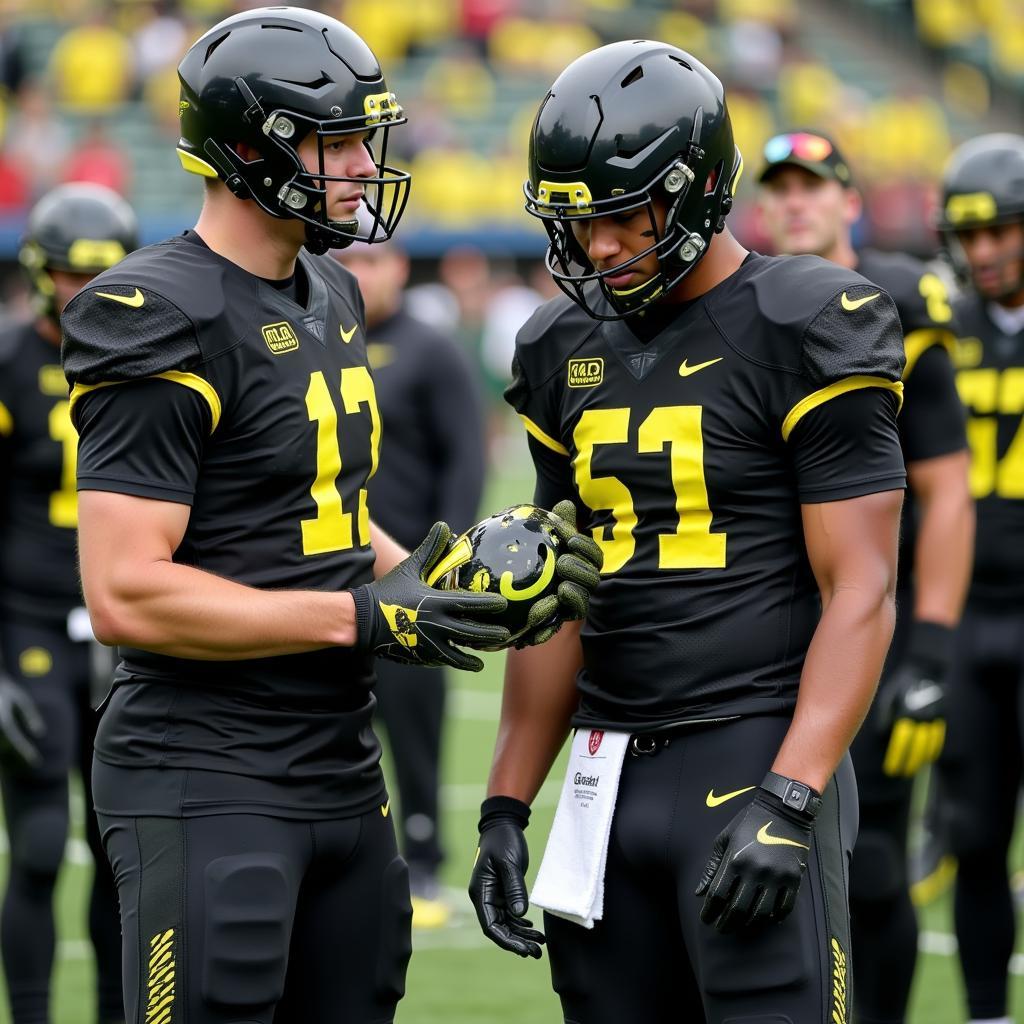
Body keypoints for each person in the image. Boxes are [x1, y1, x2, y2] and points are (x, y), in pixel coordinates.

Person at [59, 8, 598, 1022]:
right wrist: (361, 616)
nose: (360, 164)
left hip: (341, 766)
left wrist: (452, 581)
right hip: (205, 770)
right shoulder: (154, 311)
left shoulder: (329, 291)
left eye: (363, 137)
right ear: (251, 148)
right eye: (336, 139)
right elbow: (128, 589)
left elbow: (332, 516)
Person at [468, 40, 908, 1023]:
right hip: (600, 771)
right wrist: (505, 804)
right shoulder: (557, 346)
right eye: (578, 222)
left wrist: (792, 793)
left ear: (699, 187)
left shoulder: (806, 321)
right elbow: (556, 595)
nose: (601, 247)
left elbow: (862, 587)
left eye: (623, 214)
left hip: (748, 746)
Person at [755, 132, 973, 1024]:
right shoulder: (743, 306)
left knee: (873, 857)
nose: (797, 203)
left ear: (850, 202)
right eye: (782, 190)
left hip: (870, 616)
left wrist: (930, 646)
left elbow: (947, 489)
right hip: (769, 629)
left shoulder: (902, 307)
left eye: (816, 187)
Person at [0, 182, 136, 1024]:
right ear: (39, 273)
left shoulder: (154, 354)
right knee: (43, 847)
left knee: (121, 851)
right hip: (32, 620)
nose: (82, 294)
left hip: (130, 626)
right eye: (66, 275)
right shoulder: (11, 364)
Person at [334, 236, 487, 927]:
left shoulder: (431, 348)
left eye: (373, 261)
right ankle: (345, 861)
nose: (361, 275)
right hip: (330, 583)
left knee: (414, 724)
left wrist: (446, 566)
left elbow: (464, 459)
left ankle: (424, 859)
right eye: (348, 263)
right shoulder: (317, 341)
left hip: (412, 582)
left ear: (399, 267)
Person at [932, 132, 1024, 1024]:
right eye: (973, 235)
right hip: (963, 620)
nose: (986, 252)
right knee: (975, 837)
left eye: (1004, 231)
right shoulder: (942, 330)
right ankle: (988, 1013)